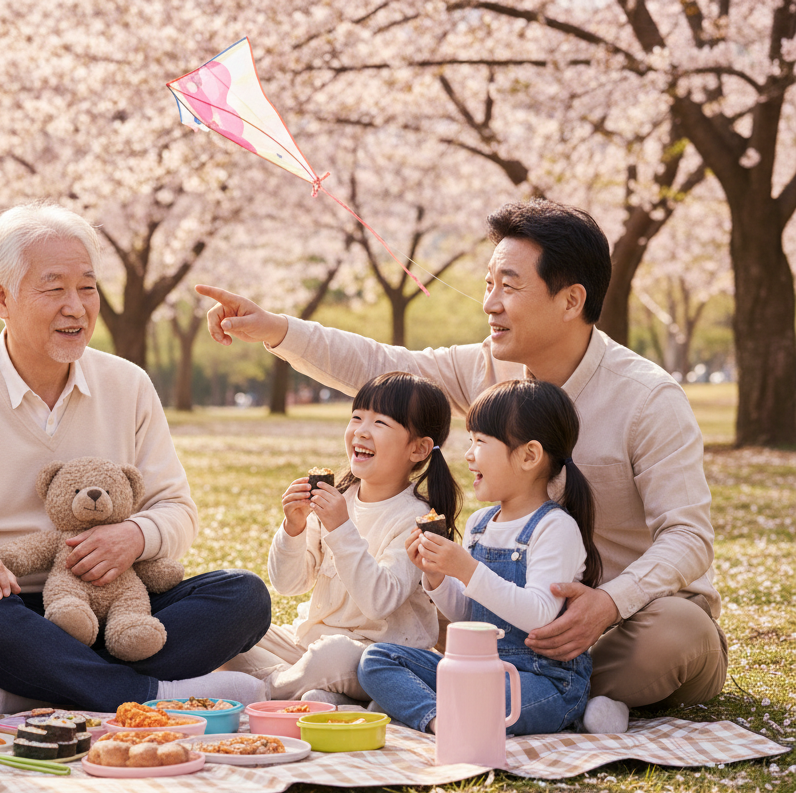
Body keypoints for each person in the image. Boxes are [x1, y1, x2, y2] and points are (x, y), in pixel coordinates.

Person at [197, 199, 726, 712]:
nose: (490, 303)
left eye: (510, 287)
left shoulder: (647, 398)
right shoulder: (487, 369)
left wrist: (608, 604)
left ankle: (524, 689)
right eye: (489, 285)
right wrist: (275, 330)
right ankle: (511, 689)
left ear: (570, 300)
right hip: (505, 614)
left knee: (671, 638)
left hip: (622, 619)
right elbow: (381, 364)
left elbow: (687, 538)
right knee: (421, 623)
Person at [0, 202, 271, 715]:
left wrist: (134, 536)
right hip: (10, 609)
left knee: (244, 597)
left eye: (87, 288)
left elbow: (176, 510)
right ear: (1, 298)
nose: (76, 306)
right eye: (54, 289)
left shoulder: (128, 385)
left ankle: (39, 686)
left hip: (118, 605)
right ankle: (144, 695)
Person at [360, 379, 629, 734]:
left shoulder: (555, 528)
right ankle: (442, 719)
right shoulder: (479, 524)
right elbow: (467, 615)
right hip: (479, 669)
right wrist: (437, 577)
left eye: (480, 442)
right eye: (470, 441)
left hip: (542, 679)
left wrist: (467, 569)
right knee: (377, 659)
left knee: (490, 696)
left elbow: (538, 615)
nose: (469, 454)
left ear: (529, 456)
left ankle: (589, 711)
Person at [225, 372, 457, 705]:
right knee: (232, 631)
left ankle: (263, 692)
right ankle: (315, 695)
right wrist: (293, 528)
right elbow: (289, 584)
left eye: (381, 422)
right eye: (357, 417)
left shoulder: (414, 518)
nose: (361, 430)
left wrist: (340, 528)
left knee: (332, 657)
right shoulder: (339, 498)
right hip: (308, 644)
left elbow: (380, 601)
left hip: (375, 658)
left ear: (418, 449)